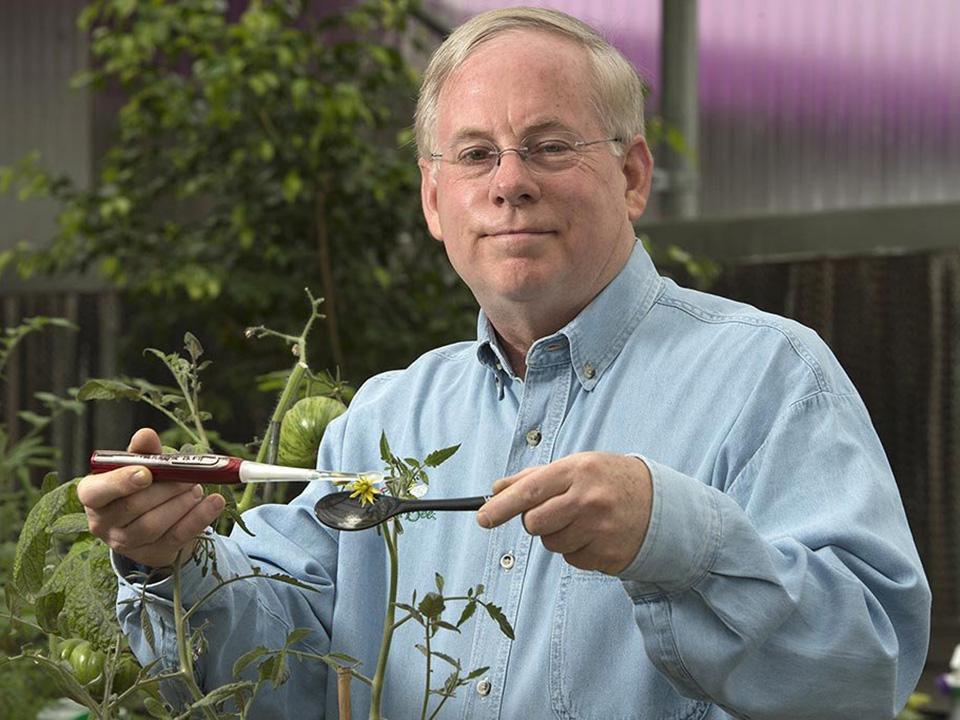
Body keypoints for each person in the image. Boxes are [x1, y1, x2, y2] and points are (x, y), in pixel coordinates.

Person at [78, 7, 931, 719]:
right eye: (477, 153)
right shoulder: (388, 417)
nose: (509, 182)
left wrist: (676, 538)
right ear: (433, 199)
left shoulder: (766, 376)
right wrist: (170, 565)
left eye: (550, 147)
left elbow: (866, 673)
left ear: (633, 176)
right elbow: (278, 663)